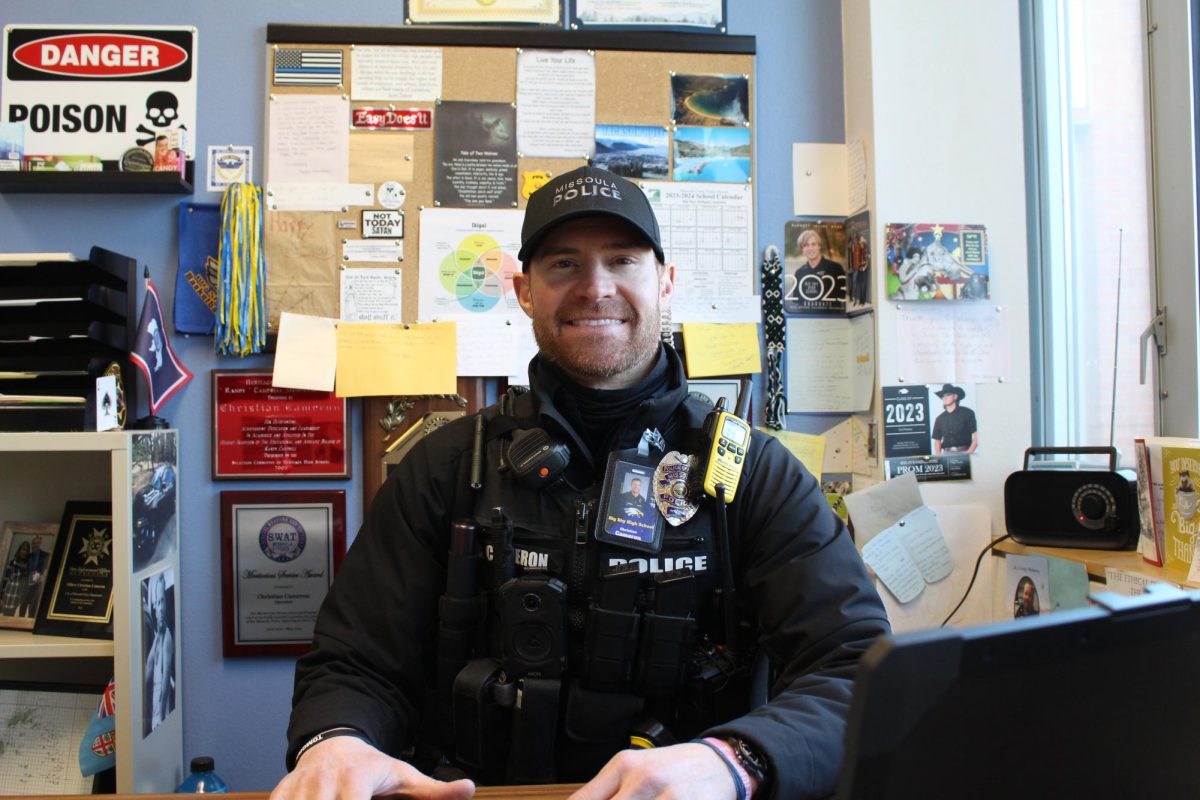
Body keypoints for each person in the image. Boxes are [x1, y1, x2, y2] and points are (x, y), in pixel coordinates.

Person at [274, 166, 889, 800]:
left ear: (666, 281)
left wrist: (737, 760)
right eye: (563, 264)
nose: (596, 288)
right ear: (522, 290)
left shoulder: (754, 473)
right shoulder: (445, 468)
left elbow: (855, 668)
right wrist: (336, 739)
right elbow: (355, 663)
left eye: (622, 260)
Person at [143, 572, 175, 733]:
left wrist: (161, 717)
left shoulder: (167, 637)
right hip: (153, 710)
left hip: (161, 713)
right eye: (157, 604)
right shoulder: (158, 638)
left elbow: (164, 683)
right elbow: (147, 674)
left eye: (162, 602)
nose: (160, 609)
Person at [787, 228, 847, 312]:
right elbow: (799, 305)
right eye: (806, 245)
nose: (810, 248)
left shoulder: (835, 268)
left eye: (813, 244)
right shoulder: (799, 273)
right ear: (802, 249)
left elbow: (845, 301)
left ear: (819, 246)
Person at [931, 383, 978, 455]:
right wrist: (939, 456)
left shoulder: (967, 413)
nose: (944, 397)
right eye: (943, 396)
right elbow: (937, 440)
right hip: (946, 454)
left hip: (965, 452)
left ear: (955, 396)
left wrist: (969, 452)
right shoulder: (939, 419)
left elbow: (977, 435)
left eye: (948, 394)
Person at [16, 535, 48, 617]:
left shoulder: (46, 555)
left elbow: (47, 568)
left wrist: (43, 576)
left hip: (38, 582)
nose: (34, 545)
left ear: (40, 543)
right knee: (23, 602)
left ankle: (30, 620)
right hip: (27, 581)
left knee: (33, 604)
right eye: (33, 543)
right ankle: (20, 619)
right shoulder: (28, 555)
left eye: (37, 543)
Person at [1, 541, 30, 617]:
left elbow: (27, 583)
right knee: (4, 616)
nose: (24, 552)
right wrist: (1, 598)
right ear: (19, 550)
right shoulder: (12, 562)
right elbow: (5, 580)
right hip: (8, 594)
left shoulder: (28, 565)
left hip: (18, 596)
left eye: (26, 550)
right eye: (23, 549)